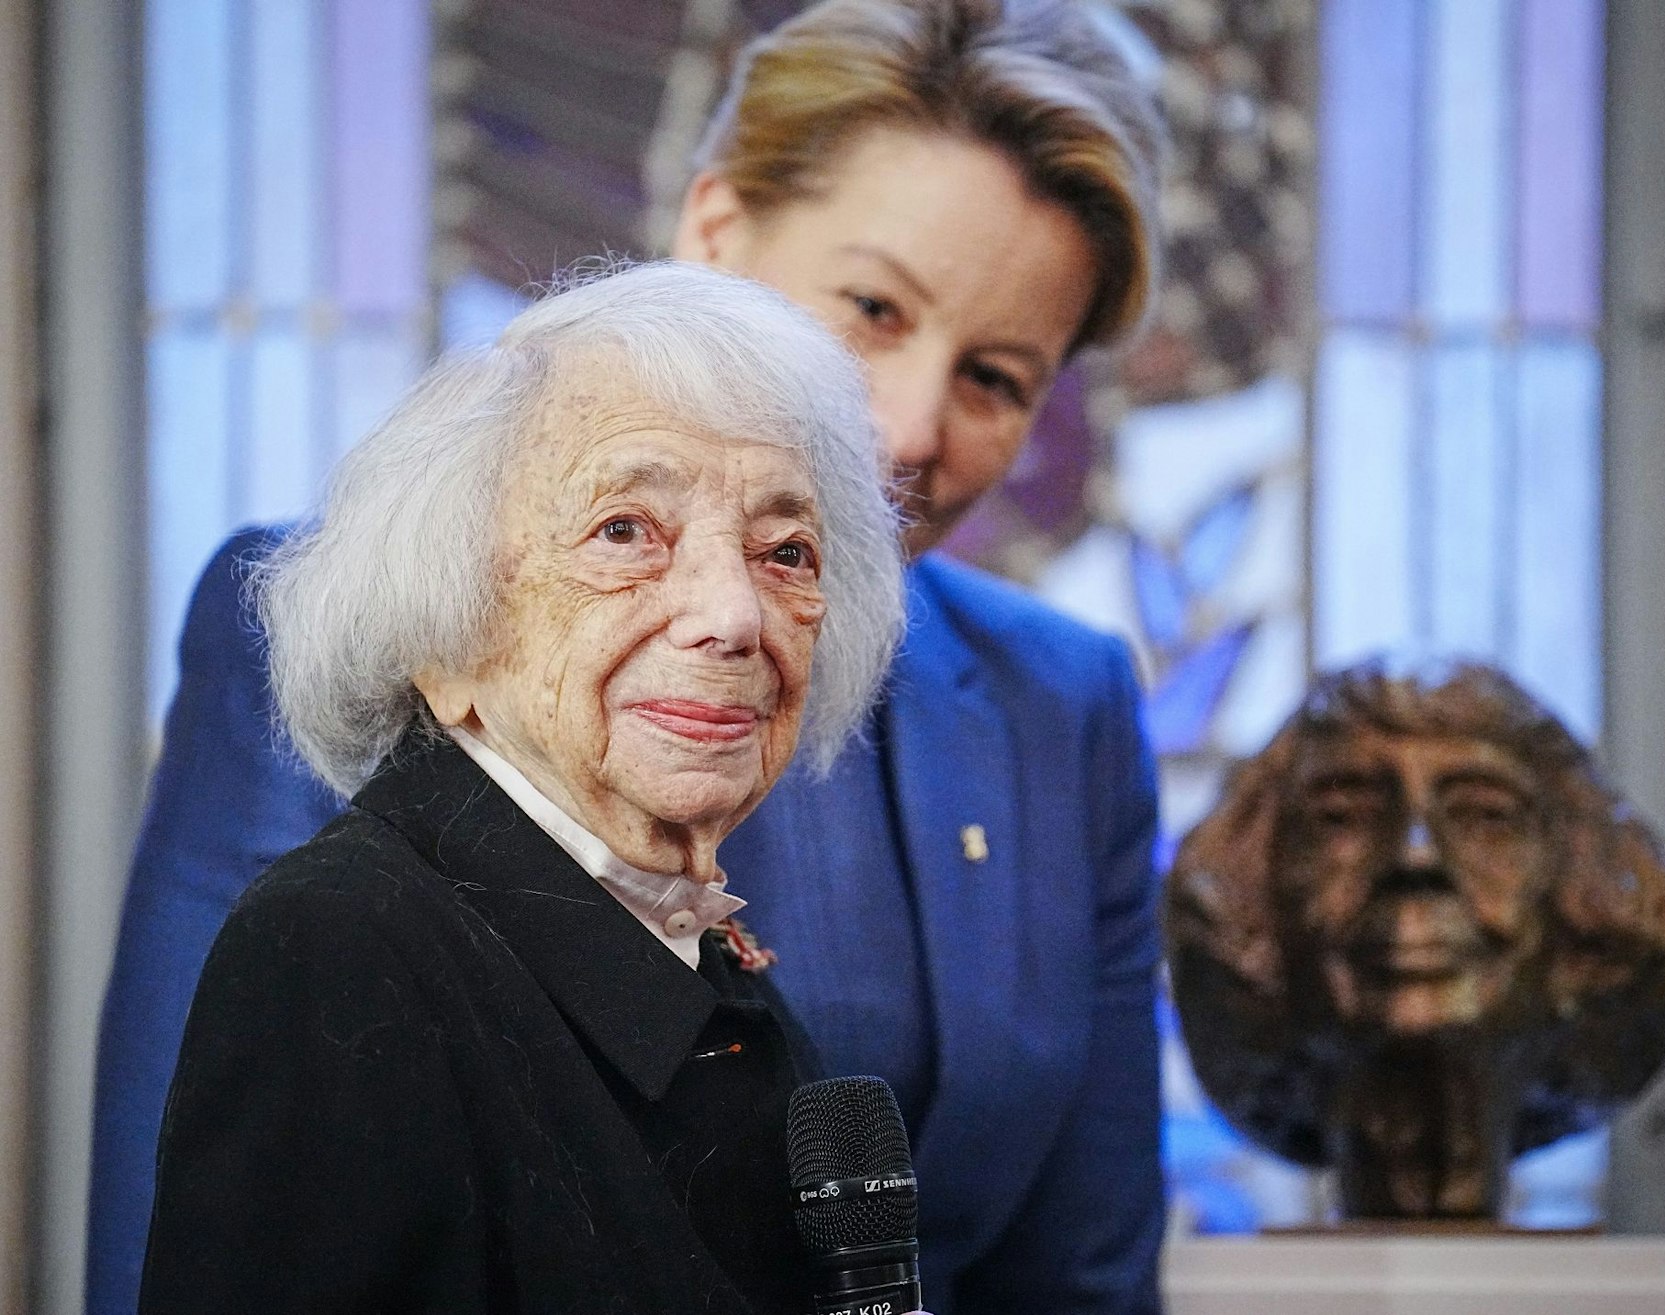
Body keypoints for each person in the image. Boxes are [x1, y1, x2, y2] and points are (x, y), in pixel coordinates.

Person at [92, 2, 1168, 1311]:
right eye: (873, 308)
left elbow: (1086, 1272)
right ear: (715, 231)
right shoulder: (372, 612)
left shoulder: (1067, 703)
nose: (907, 426)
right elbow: (203, 1214)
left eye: (997, 375)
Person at [139, 261, 905, 1313]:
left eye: (784, 551)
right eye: (625, 531)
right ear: (445, 634)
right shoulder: (342, 948)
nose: (733, 614)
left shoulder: (689, 942)